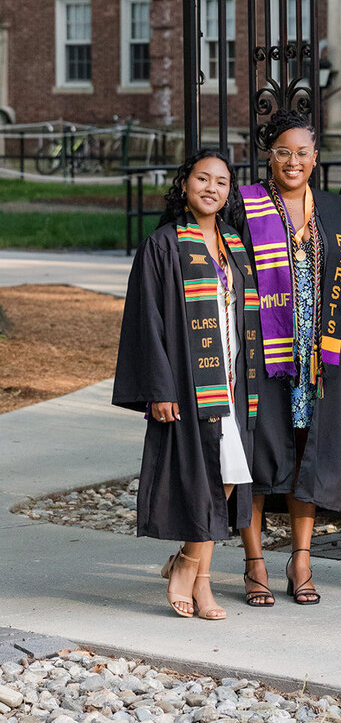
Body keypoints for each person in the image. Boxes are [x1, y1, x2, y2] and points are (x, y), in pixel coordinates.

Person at [113, 149, 260, 620]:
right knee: (207, 477)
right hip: (190, 380)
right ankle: (197, 579)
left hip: (234, 379)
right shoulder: (163, 245)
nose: (211, 188)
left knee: (232, 475)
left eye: (221, 181)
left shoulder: (235, 244)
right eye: (202, 178)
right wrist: (159, 388)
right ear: (184, 185)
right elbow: (146, 320)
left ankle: (188, 564)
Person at [236, 110, 341, 605]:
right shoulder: (245, 206)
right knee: (261, 452)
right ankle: (254, 560)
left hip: (316, 354)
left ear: (315, 157)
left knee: (309, 452)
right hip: (264, 351)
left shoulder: (332, 208)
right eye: (283, 151)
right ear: (269, 154)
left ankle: (300, 559)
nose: (293, 161)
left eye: (302, 152)